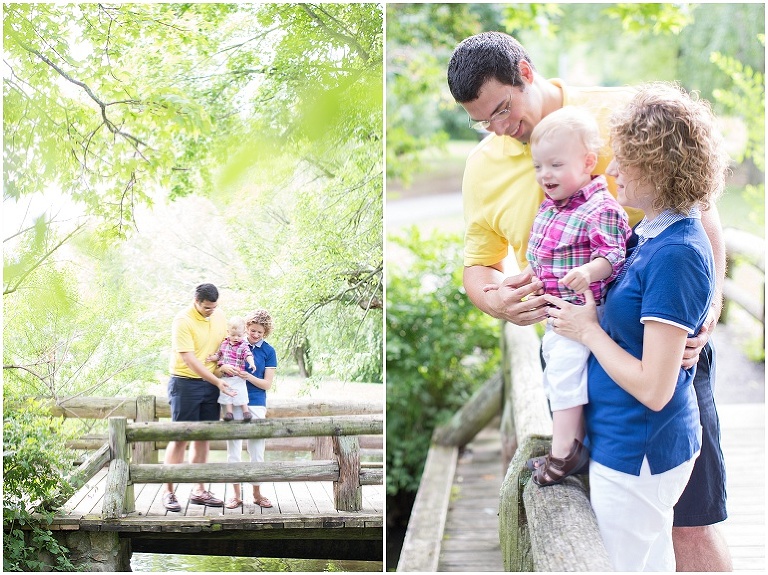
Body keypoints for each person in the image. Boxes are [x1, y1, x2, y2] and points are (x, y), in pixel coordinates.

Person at [447, 31, 732, 570]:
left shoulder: (625, 115)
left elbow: (698, 206)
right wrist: (496, 300)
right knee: (600, 525)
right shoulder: (483, 167)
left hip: (664, 353)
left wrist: (710, 306)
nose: (501, 129)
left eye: (504, 109)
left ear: (526, 72)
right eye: (483, 121)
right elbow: (478, 264)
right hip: (582, 365)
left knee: (688, 527)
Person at [542, 82, 729, 570]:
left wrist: (588, 331)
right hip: (624, 444)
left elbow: (655, 388)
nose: (611, 170)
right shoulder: (650, 231)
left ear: (662, 166)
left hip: (640, 451)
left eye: (626, 159)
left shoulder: (676, 254)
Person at [484, 106, 631, 485]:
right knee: (556, 372)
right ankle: (574, 444)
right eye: (538, 167)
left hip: (583, 313)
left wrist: (590, 270)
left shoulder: (600, 208)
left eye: (555, 165)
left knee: (564, 373)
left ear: (587, 162)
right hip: (557, 314)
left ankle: (563, 452)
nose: (544, 175)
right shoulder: (553, 208)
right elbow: (544, 256)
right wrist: (527, 276)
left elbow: (614, 253)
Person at [162, 283, 237, 512]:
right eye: (206, 307)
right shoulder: (182, 320)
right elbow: (190, 360)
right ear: (196, 301)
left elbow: (227, 343)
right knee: (180, 437)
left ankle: (199, 490)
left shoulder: (219, 315)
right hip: (185, 384)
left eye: (214, 307)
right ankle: (168, 492)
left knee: (203, 437)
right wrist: (216, 381)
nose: (210, 311)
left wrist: (225, 364)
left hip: (212, 383)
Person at [224, 309, 278, 510]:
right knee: (234, 450)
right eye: (253, 330)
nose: (255, 335)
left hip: (256, 403)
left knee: (256, 450)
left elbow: (266, 384)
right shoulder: (234, 343)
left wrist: (248, 377)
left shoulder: (269, 352)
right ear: (247, 327)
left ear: (265, 333)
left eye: (260, 333)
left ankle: (257, 493)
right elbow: (220, 365)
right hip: (234, 400)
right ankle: (235, 495)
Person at [209, 316, 256, 422]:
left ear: (244, 333)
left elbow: (248, 354)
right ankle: (229, 413)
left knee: (241, 392)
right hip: (225, 376)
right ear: (228, 332)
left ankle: (245, 411)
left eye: (239, 335)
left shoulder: (243, 345)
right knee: (226, 393)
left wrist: (251, 363)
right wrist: (212, 358)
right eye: (233, 335)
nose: (236, 338)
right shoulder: (224, 344)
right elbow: (219, 355)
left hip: (237, 375)